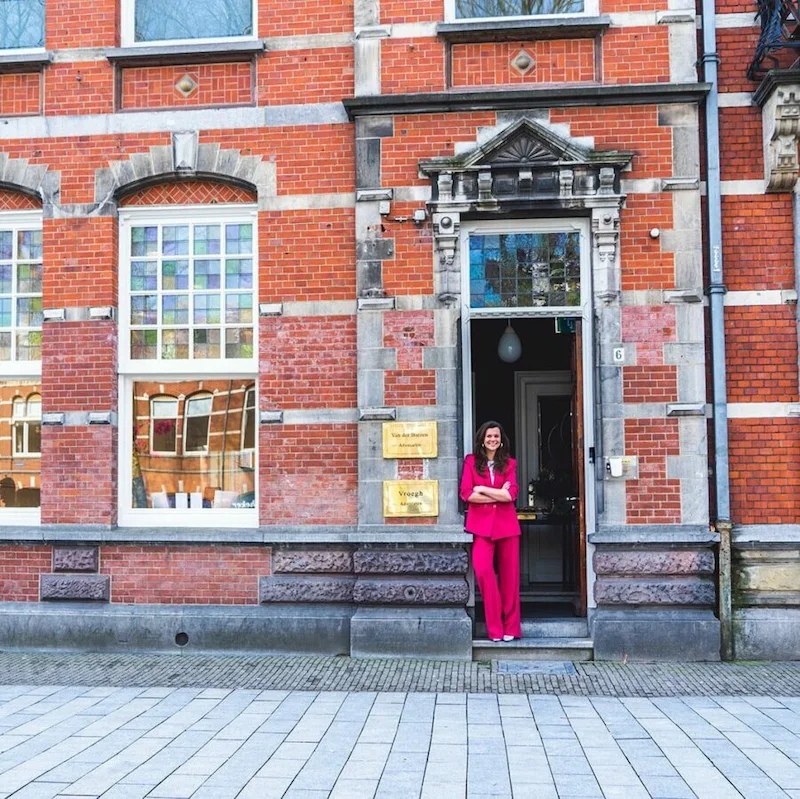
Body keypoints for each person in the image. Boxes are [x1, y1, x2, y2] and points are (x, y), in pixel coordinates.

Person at [459, 421, 522, 642]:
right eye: (489, 436)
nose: (492, 439)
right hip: (481, 528)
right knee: (484, 572)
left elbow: (510, 495)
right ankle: (495, 629)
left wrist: (483, 489)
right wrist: (497, 494)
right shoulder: (471, 462)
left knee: (510, 579)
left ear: (501, 440)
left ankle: (511, 628)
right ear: (482, 440)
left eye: (496, 436)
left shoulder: (510, 464)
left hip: (507, 527)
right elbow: (467, 494)